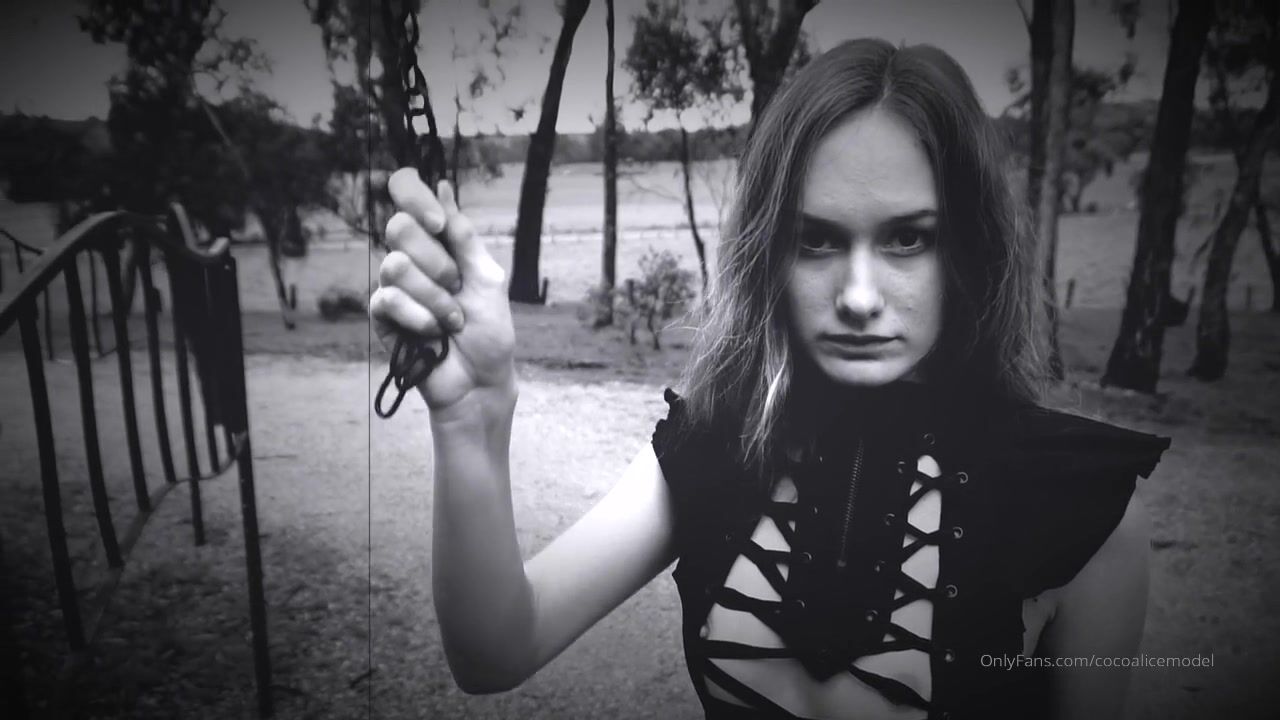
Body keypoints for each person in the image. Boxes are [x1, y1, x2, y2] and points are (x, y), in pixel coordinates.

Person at [369, 38, 1172, 720]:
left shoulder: (1084, 509)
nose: (859, 297)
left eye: (907, 239)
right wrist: (473, 416)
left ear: (969, 250)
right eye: (816, 240)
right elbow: (496, 651)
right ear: (769, 254)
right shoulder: (716, 441)